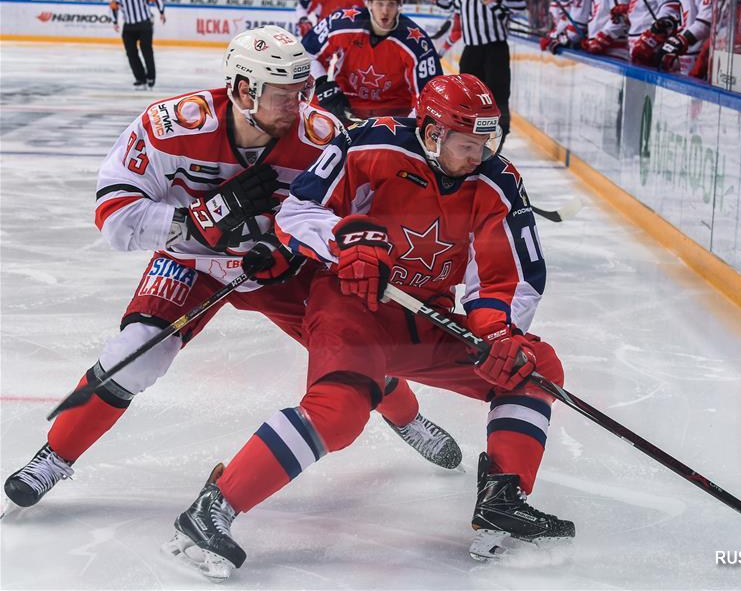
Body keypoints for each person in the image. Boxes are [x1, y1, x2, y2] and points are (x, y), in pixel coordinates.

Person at [3, 26, 461, 514]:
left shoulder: (321, 137)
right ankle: (53, 456)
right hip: (192, 263)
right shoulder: (172, 126)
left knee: (357, 349)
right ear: (245, 89)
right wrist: (199, 223)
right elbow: (115, 219)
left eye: (303, 91)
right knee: (136, 355)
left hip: (280, 270)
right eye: (286, 94)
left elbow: (346, 216)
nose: (300, 105)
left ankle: (406, 417)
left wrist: (304, 245)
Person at [164, 74, 574, 581]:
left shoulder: (497, 180)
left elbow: (511, 274)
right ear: (432, 133)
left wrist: (498, 334)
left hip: (425, 315)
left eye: (488, 142)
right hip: (351, 306)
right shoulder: (370, 143)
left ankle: (503, 496)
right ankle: (213, 508)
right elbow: (297, 211)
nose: (481, 155)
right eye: (469, 144)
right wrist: (345, 243)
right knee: (337, 415)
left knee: (532, 368)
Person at [301, 0, 442, 123]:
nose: (385, 11)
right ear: (368, 3)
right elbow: (306, 53)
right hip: (346, 105)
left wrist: (408, 127)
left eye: (391, 3)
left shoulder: (416, 42)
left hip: (396, 114)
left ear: (399, 5)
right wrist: (322, 85)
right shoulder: (341, 23)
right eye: (379, 3)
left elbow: (429, 97)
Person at [430, 0, 527, 149]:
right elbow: (447, 4)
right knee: (465, 93)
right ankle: (464, 131)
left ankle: (499, 134)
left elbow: (520, 5)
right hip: (472, 50)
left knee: (498, 93)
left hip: (495, 49)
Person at [110, 0, 166, 90]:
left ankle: (151, 77)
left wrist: (161, 12)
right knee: (131, 53)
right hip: (128, 26)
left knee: (147, 50)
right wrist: (115, 22)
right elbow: (113, 7)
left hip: (144, 24)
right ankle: (140, 78)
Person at [295, 0, 366, 37]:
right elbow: (302, 6)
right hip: (323, 34)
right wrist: (303, 19)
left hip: (349, 34)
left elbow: (366, 15)